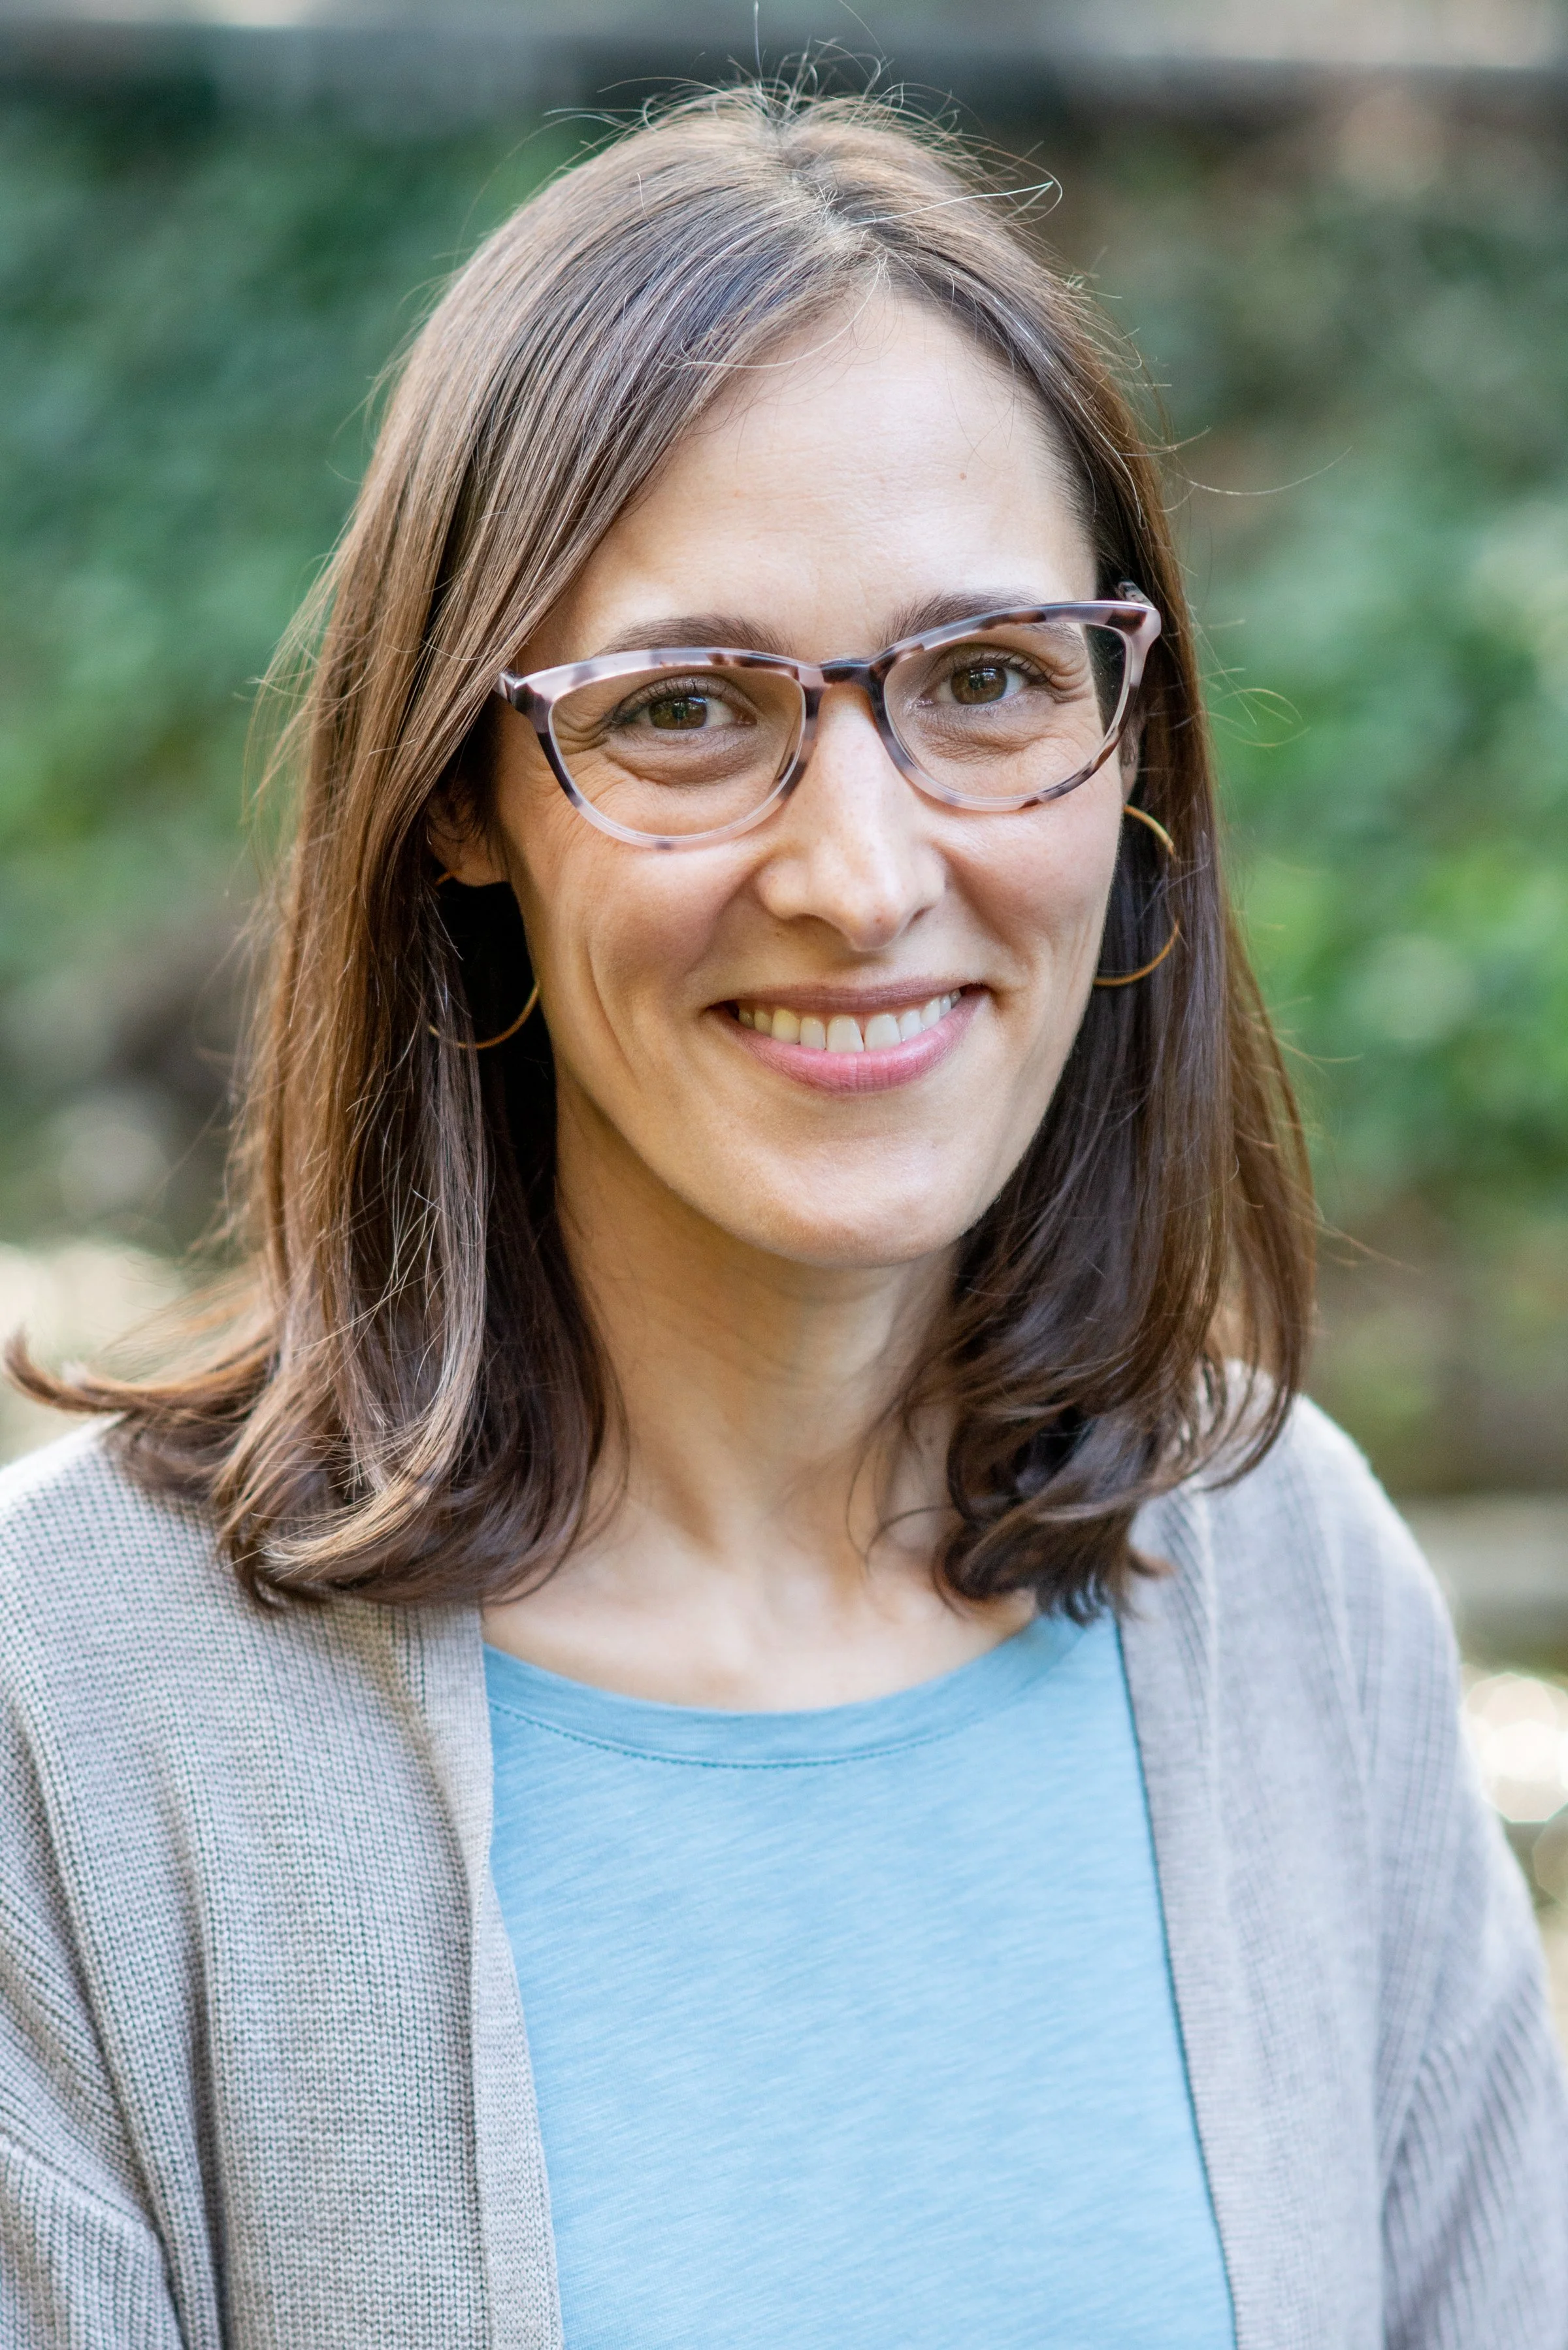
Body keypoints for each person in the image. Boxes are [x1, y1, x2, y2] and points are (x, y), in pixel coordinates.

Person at [2, 85, 1564, 2350]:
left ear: (1136, 754)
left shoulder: (1288, 1588)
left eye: (990, 680)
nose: (859, 872)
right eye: (690, 711)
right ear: (462, 798)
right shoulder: (68, 1709)